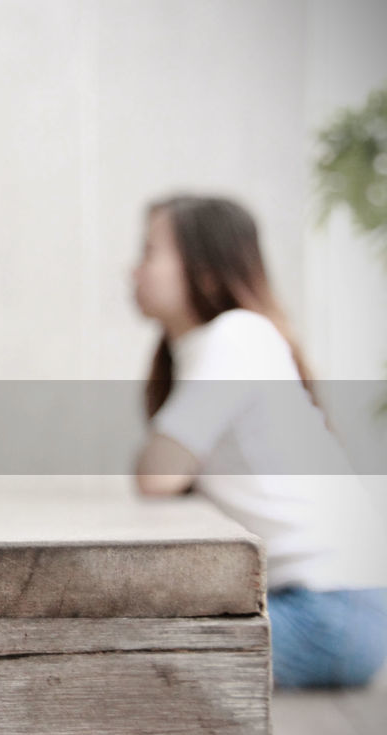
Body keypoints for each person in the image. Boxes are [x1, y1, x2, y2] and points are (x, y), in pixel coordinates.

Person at [130, 193, 387, 689]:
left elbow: (157, 476)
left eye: (149, 252)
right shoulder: (209, 346)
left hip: (335, 609)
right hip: (328, 601)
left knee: (135, 662)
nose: (133, 270)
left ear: (205, 270)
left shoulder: (236, 336)